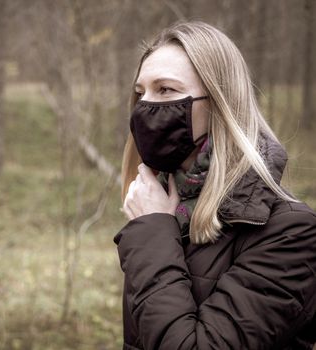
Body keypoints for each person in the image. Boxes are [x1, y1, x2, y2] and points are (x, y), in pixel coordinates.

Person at [113, 21, 316, 350]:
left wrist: (152, 233)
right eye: (140, 93)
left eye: (166, 90)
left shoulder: (292, 232)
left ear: (218, 102)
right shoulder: (167, 208)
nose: (145, 106)